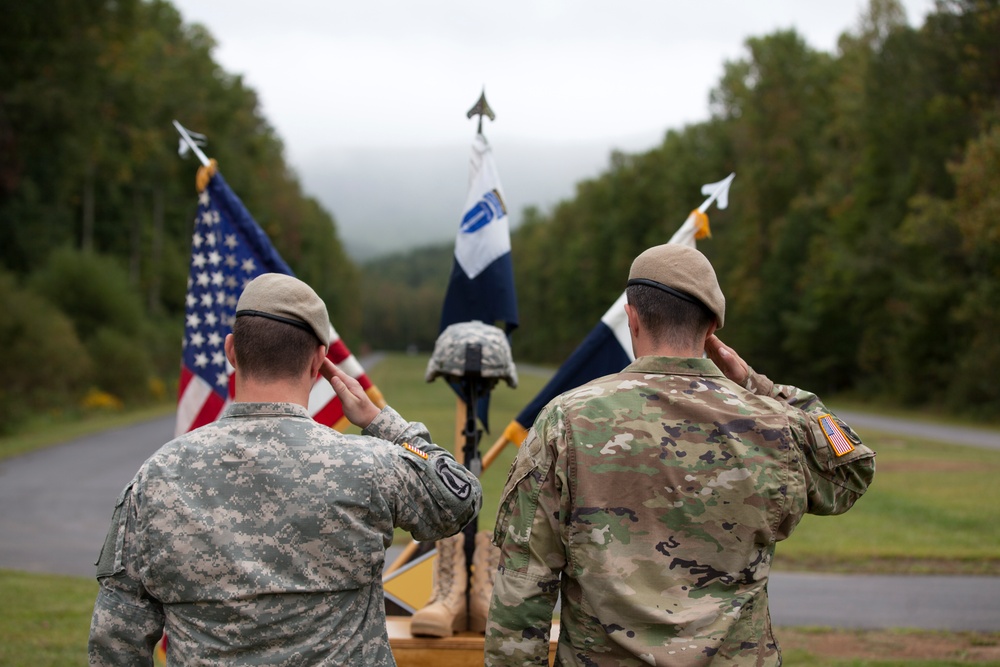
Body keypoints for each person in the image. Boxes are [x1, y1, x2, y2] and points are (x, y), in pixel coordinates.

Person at [484, 243, 876, 666]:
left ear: (631, 318)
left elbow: (525, 583)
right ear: (711, 329)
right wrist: (758, 385)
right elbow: (852, 467)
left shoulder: (567, 420)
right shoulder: (773, 423)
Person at [88, 273, 482, 666]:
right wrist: (381, 422)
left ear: (231, 351)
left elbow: (116, 639)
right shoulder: (368, 466)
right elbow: (460, 498)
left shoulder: (158, 478)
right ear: (318, 361)